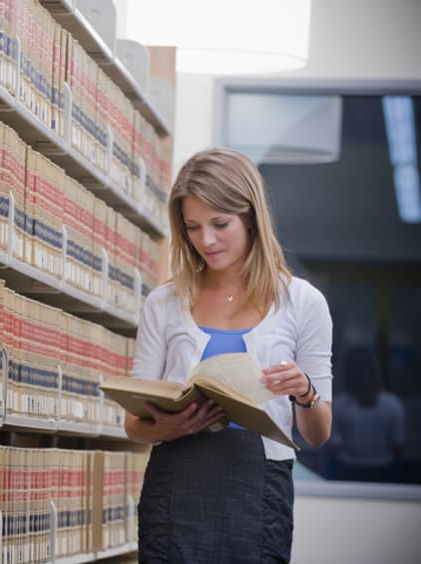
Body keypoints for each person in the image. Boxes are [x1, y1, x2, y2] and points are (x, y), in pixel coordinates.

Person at [126, 148, 333, 564]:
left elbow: (317, 433)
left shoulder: (303, 302)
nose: (206, 240)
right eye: (192, 227)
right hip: (174, 487)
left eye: (220, 224)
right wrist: (169, 427)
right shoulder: (165, 303)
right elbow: (133, 424)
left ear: (251, 217)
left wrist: (305, 393)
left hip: (259, 490)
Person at [330, 345, 406, 482]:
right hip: (347, 469)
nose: (362, 375)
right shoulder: (339, 404)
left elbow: (398, 445)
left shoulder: (392, 404)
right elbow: (333, 444)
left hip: (383, 470)